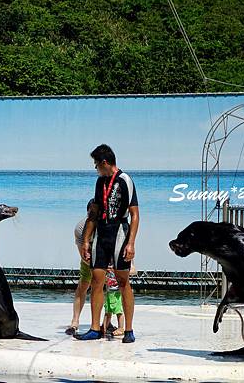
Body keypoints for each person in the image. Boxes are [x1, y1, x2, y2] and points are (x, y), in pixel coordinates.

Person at [76, 144, 139, 343]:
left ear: (104, 162)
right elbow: (93, 213)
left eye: (96, 165)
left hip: (119, 232)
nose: (95, 168)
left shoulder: (125, 180)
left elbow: (135, 215)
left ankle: (128, 329)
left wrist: (131, 244)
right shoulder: (99, 182)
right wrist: (86, 240)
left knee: (122, 281)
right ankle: (95, 328)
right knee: (96, 280)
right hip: (101, 234)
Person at [65, 199, 97, 336]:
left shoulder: (107, 223)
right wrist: (91, 267)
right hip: (88, 256)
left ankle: (107, 322)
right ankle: (75, 321)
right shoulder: (80, 227)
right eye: (91, 212)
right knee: (83, 286)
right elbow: (83, 254)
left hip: (106, 257)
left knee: (110, 289)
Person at [103, 269, 125, 337]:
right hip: (108, 292)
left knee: (119, 311)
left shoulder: (118, 266)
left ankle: (120, 328)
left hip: (117, 293)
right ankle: (104, 328)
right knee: (107, 311)